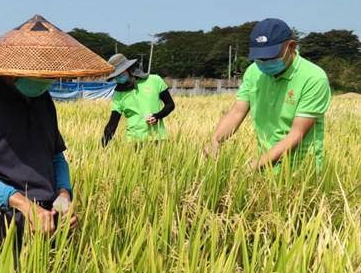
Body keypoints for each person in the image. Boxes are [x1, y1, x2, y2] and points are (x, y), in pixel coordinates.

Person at [0, 14, 113, 273]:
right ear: (13, 69)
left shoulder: (42, 99)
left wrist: (64, 195)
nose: (45, 79)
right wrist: (25, 206)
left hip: (52, 215)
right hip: (10, 216)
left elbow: (56, 155)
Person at [206, 18, 331, 171]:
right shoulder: (254, 72)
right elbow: (236, 112)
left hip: (301, 170)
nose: (265, 63)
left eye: (271, 57)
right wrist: (215, 139)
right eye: (260, 58)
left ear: (291, 46)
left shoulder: (313, 77)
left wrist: (256, 165)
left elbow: (296, 133)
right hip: (265, 166)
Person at [101, 53, 175, 146]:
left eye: (120, 74)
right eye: (116, 76)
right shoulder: (118, 93)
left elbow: (170, 104)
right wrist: (103, 146)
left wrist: (157, 116)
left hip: (158, 137)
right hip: (134, 140)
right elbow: (113, 123)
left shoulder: (154, 80)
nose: (118, 78)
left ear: (129, 69)